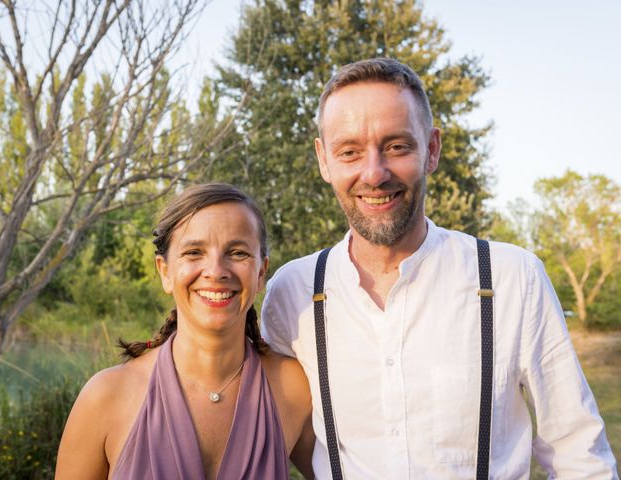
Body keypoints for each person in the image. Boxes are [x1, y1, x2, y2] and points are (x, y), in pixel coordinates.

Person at [261, 58, 618, 478]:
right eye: (350, 152)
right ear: (324, 160)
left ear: (432, 149)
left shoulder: (511, 278)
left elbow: (579, 454)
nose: (374, 173)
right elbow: (268, 431)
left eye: (397, 146)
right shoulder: (292, 293)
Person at [56, 183, 314, 479]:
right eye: (194, 252)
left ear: (260, 273)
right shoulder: (105, 397)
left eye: (238, 252)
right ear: (165, 271)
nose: (216, 271)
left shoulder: (293, 388)